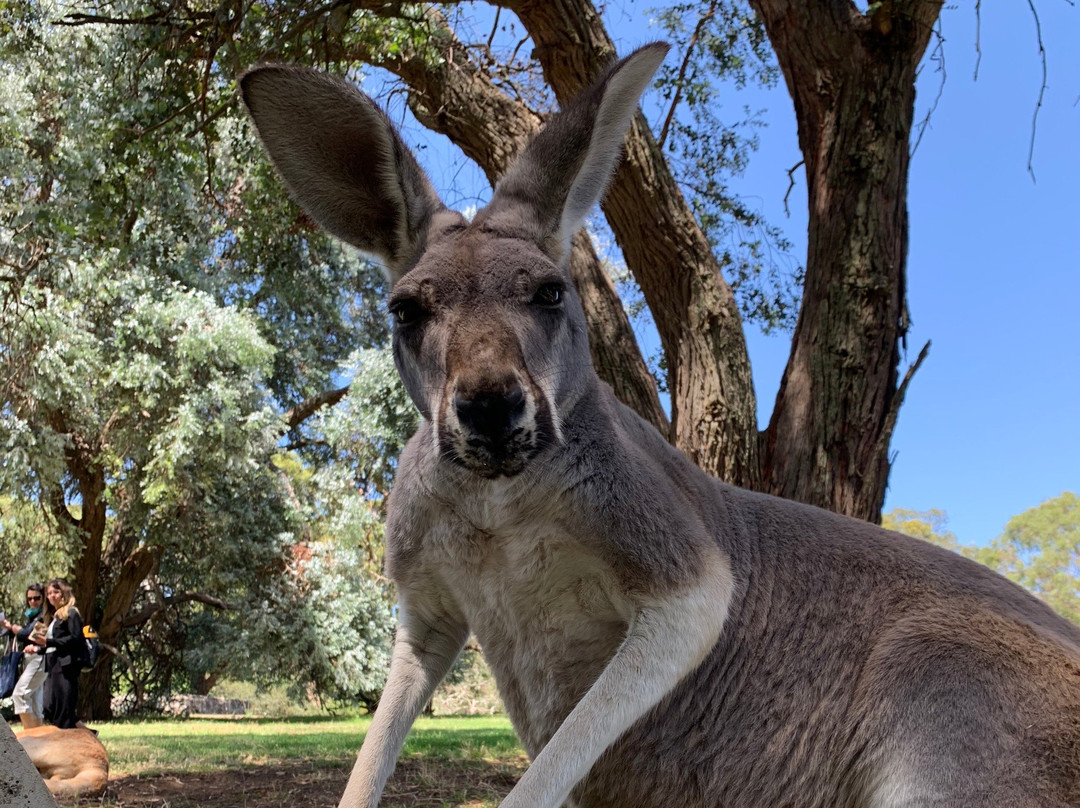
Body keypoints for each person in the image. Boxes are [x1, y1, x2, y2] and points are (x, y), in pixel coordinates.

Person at [24, 578, 87, 730]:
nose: (52, 596)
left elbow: (75, 639)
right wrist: (38, 648)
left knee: (63, 711)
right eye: (49, 593)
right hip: (52, 666)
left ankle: (75, 744)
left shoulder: (71, 613)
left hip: (66, 666)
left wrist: (48, 643)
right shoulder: (55, 616)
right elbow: (53, 643)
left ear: (64, 593)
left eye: (56, 592)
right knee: (50, 706)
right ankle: (89, 735)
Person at [0, 583, 48, 728]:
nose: (33, 601)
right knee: (34, 700)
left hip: (39, 658)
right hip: (30, 659)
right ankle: (38, 738)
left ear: (43, 598)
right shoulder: (33, 616)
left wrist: (11, 627)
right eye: (30, 599)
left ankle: (29, 736)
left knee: (20, 694)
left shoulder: (45, 615)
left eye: (37, 598)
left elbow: (31, 634)